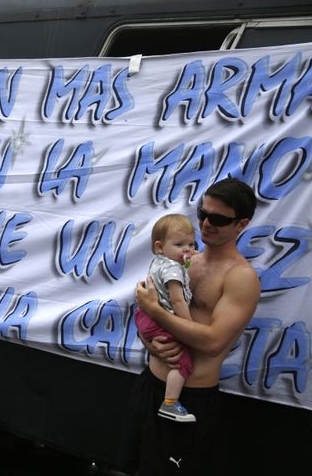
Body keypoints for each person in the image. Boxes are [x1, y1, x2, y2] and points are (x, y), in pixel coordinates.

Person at [121, 177, 261, 475]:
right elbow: (151, 314)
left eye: (219, 219)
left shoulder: (241, 278)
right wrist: (149, 341)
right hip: (149, 386)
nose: (207, 223)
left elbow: (213, 342)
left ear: (241, 224)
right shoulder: (185, 261)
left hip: (189, 400)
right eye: (203, 213)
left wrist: (155, 312)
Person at [134, 214, 197, 423]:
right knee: (183, 363)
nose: (187, 249)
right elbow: (178, 301)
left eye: (191, 243)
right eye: (179, 244)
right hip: (159, 320)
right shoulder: (172, 269)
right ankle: (170, 403)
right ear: (160, 247)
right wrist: (190, 327)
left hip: (145, 317)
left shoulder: (159, 261)